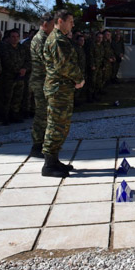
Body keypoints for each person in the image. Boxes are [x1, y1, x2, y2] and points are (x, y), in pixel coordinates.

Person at [41, 10, 84, 177]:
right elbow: (64, 65)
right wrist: (79, 79)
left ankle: (54, 160)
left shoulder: (60, 38)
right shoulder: (58, 40)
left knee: (62, 125)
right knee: (55, 126)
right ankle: (48, 165)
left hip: (62, 89)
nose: (73, 24)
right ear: (61, 21)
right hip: (58, 89)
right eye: (71, 21)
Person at [28, 13, 55, 158]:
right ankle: (36, 145)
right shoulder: (40, 39)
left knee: (46, 114)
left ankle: (44, 143)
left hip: (45, 81)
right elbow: (48, 61)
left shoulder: (46, 38)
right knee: (41, 114)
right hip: (40, 82)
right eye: (52, 25)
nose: (54, 28)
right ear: (45, 25)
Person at [0, 29, 30, 124]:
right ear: (9, 38)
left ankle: (14, 114)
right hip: (8, 77)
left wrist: (24, 69)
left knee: (18, 97)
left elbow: (28, 60)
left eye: (17, 37)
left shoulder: (22, 48)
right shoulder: (4, 48)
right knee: (7, 97)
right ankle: (5, 116)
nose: (15, 39)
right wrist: (17, 70)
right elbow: (6, 62)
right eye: (13, 37)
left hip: (20, 77)